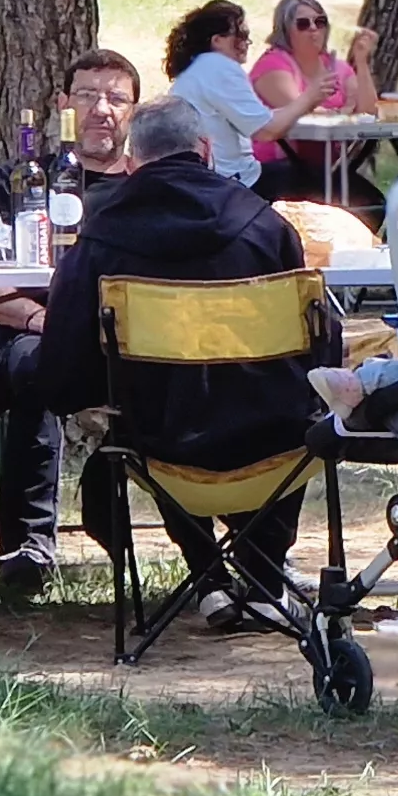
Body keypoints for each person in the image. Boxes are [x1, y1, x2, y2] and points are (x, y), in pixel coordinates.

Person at [32, 93, 331, 617]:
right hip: (274, 444)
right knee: (282, 403)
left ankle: (208, 574)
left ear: (130, 163)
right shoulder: (267, 226)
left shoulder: (99, 238)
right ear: (207, 150)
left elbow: (63, 369)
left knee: (147, 407)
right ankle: (262, 579)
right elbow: (317, 350)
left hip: (162, 447)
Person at [0, 47, 143, 603]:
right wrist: (47, 319)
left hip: (136, 341)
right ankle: (27, 547)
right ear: (63, 105)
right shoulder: (20, 179)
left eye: (117, 98)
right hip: (36, 333)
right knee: (32, 366)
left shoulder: (149, 187)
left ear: (134, 113)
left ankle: (180, 545)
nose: (102, 110)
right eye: (89, 95)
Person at [251, 0, 383, 213]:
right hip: (275, 166)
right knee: (351, 203)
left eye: (319, 22)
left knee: (372, 205)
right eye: (303, 24)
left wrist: (361, 61)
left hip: (320, 170)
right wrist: (343, 111)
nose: (313, 29)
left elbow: (369, 111)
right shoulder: (273, 64)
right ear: (285, 30)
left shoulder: (336, 65)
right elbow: (299, 110)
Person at [172, 1, 319, 172]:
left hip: (209, 175)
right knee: (334, 182)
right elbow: (266, 131)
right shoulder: (219, 67)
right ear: (217, 40)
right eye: (241, 35)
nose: (247, 42)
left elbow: (263, 120)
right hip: (231, 180)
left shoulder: (196, 68)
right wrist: (309, 98)